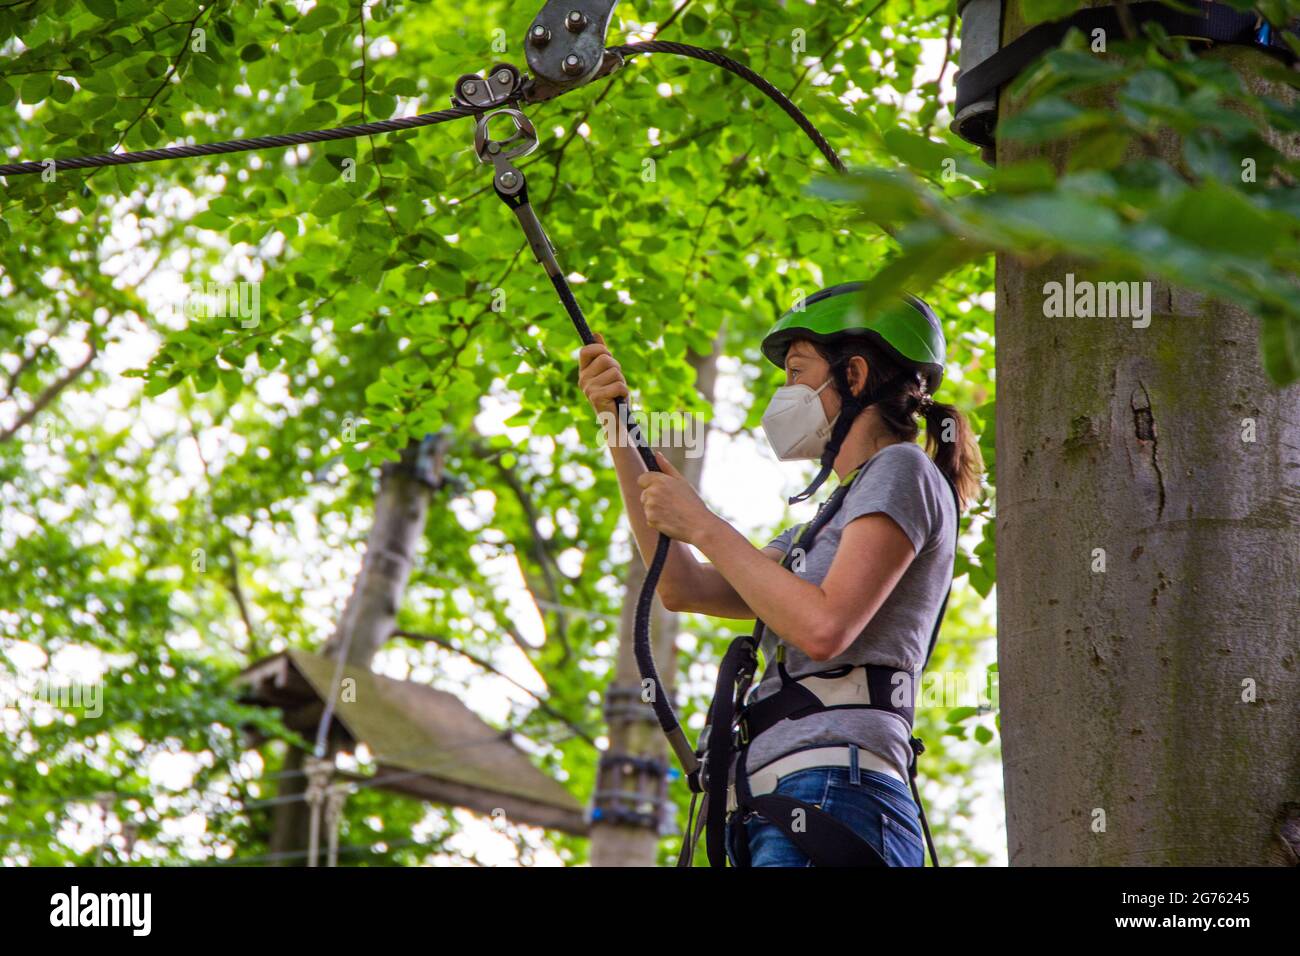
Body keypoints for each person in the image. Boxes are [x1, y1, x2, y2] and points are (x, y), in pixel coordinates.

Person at [577, 283, 982, 866]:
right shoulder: (819, 528)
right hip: (783, 800)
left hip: (836, 795)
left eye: (797, 371)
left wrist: (705, 524)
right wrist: (618, 430)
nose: (784, 391)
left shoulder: (903, 468)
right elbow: (682, 586)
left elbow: (823, 627)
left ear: (855, 375)